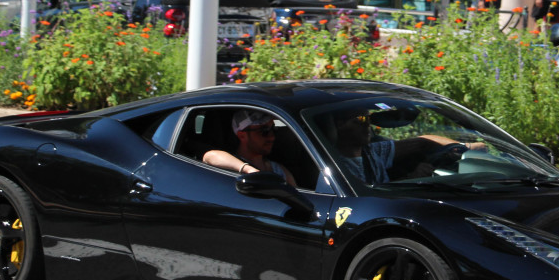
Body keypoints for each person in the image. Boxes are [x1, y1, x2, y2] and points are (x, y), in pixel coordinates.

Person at [326, 106, 483, 184]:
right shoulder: (332, 166)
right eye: (360, 119)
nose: (368, 125)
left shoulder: (373, 151)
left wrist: (466, 147)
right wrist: (412, 177)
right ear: (340, 125)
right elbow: (362, 200)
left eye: (369, 118)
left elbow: (422, 142)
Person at [202, 108, 297, 186]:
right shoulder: (230, 166)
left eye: (273, 129)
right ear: (242, 135)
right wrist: (249, 170)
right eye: (264, 131)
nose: (271, 137)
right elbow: (209, 156)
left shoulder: (280, 170)